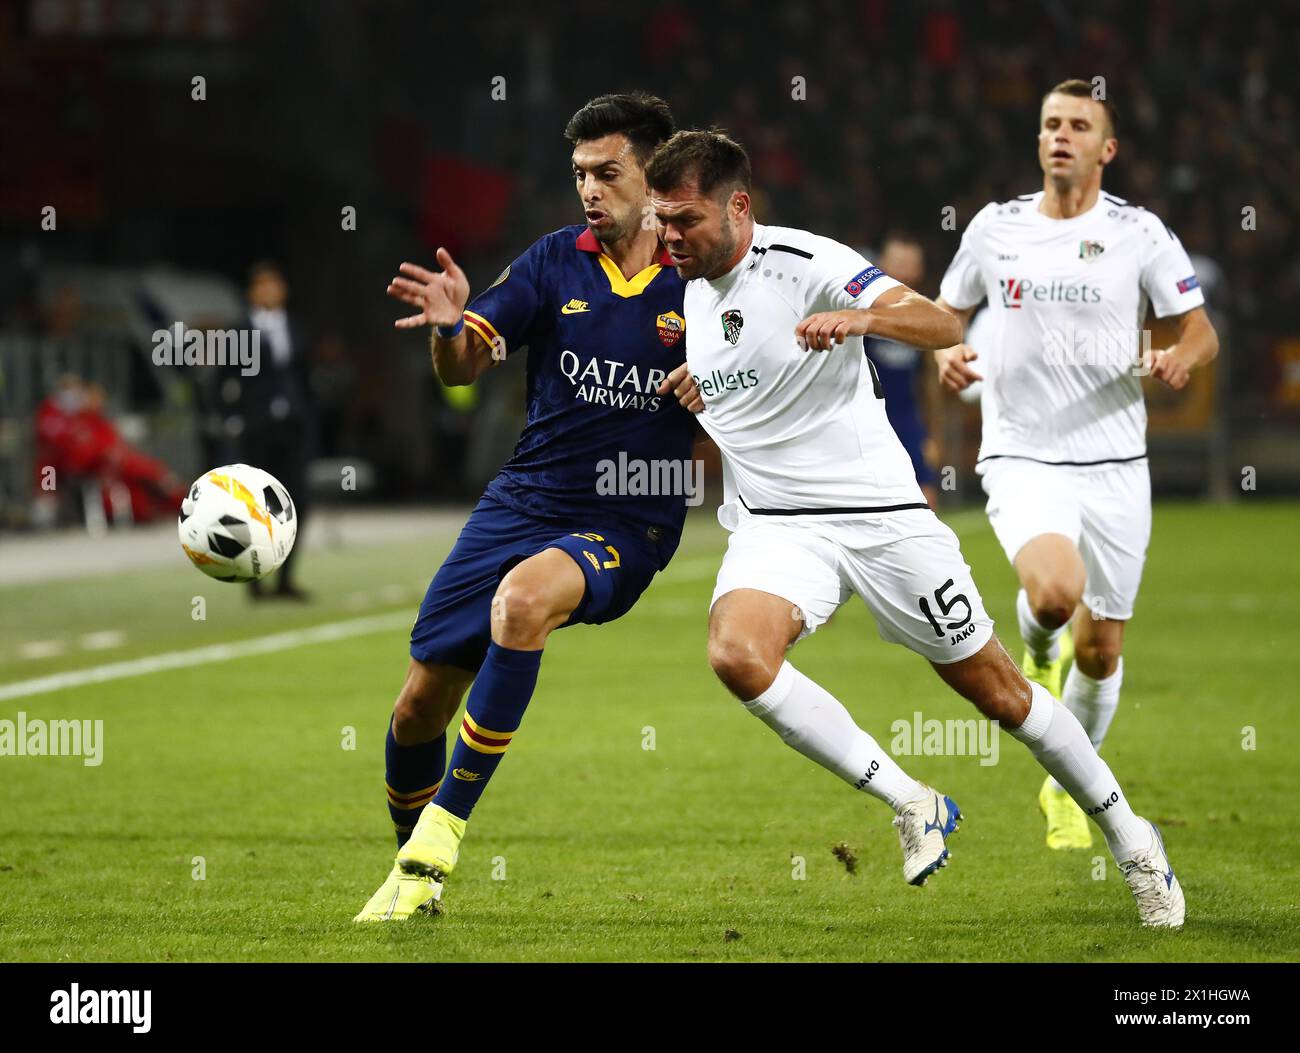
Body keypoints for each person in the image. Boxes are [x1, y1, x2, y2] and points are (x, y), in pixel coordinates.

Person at [646, 128, 1184, 927]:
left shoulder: (805, 263)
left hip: (882, 519)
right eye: (660, 220)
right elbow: (748, 354)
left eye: (683, 219)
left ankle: (1135, 842)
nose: (667, 237)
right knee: (736, 652)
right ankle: (911, 800)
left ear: (738, 206)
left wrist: (862, 319)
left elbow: (938, 324)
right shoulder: (689, 281)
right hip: (779, 527)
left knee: (1002, 695)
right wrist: (708, 380)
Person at [355, 93, 703, 922]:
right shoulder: (554, 260)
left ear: (653, 175)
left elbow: (763, 379)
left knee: (524, 602)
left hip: (629, 517)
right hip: (523, 499)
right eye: (580, 173)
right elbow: (462, 368)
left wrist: (721, 389)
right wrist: (448, 329)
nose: (589, 188)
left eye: (607, 173)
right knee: (416, 706)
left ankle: (441, 835)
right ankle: (415, 877)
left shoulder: (704, 278)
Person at [932, 80, 1219, 850]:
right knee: (1056, 596)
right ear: (1039, 141)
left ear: (1106, 148)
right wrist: (949, 354)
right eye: (1050, 124)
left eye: (1078, 125)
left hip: (1117, 461)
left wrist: (1181, 360)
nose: (1060, 135)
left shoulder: (1140, 233)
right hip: (1024, 451)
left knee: (1103, 648)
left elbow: (1199, 331)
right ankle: (1037, 643)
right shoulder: (997, 229)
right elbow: (945, 314)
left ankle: (1065, 779)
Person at [237, 260, 316, 600]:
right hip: (257, 430)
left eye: (274, 284)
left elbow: (306, 378)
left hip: (294, 429)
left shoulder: (297, 328)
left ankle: (285, 578)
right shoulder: (239, 331)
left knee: (295, 502)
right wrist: (231, 418)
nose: (269, 291)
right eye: (262, 285)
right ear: (251, 293)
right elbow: (224, 380)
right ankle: (255, 581)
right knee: (253, 505)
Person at [864, 233, 940, 505]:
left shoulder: (923, 316)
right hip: (867, 420)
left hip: (907, 419)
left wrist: (931, 433)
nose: (906, 270)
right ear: (881, 264)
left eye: (911, 264)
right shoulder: (860, 312)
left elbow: (929, 381)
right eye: (899, 262)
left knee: (925, 493)